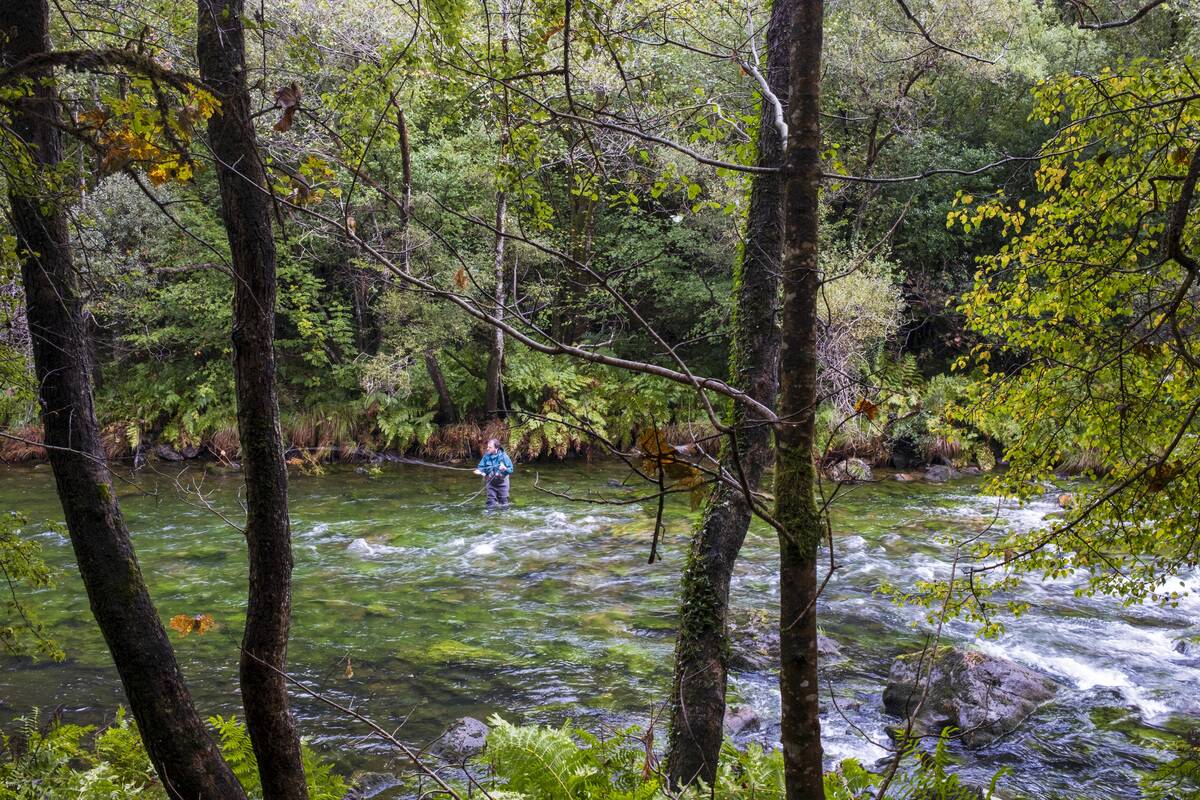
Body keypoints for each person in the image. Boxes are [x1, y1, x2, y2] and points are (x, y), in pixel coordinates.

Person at [474, 438, 514, 510]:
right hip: (490, 483)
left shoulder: (504, 457)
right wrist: (479, 471)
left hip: (503, 484)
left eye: (490, 447)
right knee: (490, 503)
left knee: (504, 503)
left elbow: (511, 470)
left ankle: (505, 518)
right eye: (487, 447)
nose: (487, 448)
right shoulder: (486, 456)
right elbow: (481, 466)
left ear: (496, 448)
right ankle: (490, 518)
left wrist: (505, 469)